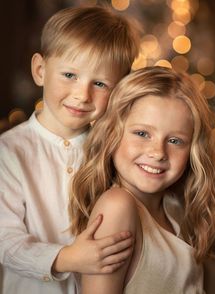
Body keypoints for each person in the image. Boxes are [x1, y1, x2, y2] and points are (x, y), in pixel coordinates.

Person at [0, 5, 139, 294]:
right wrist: (68, 258)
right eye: (70, 75)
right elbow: (5, 241)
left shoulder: (113, 150)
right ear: (40, 70)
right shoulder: (9, 152)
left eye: (100, 83)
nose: (82, 94)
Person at [69, 66, 215, 294]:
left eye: (175, 140)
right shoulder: (117, 207)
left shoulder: (174, 208)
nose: (158, 152)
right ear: (112, 134)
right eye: (142, 134)